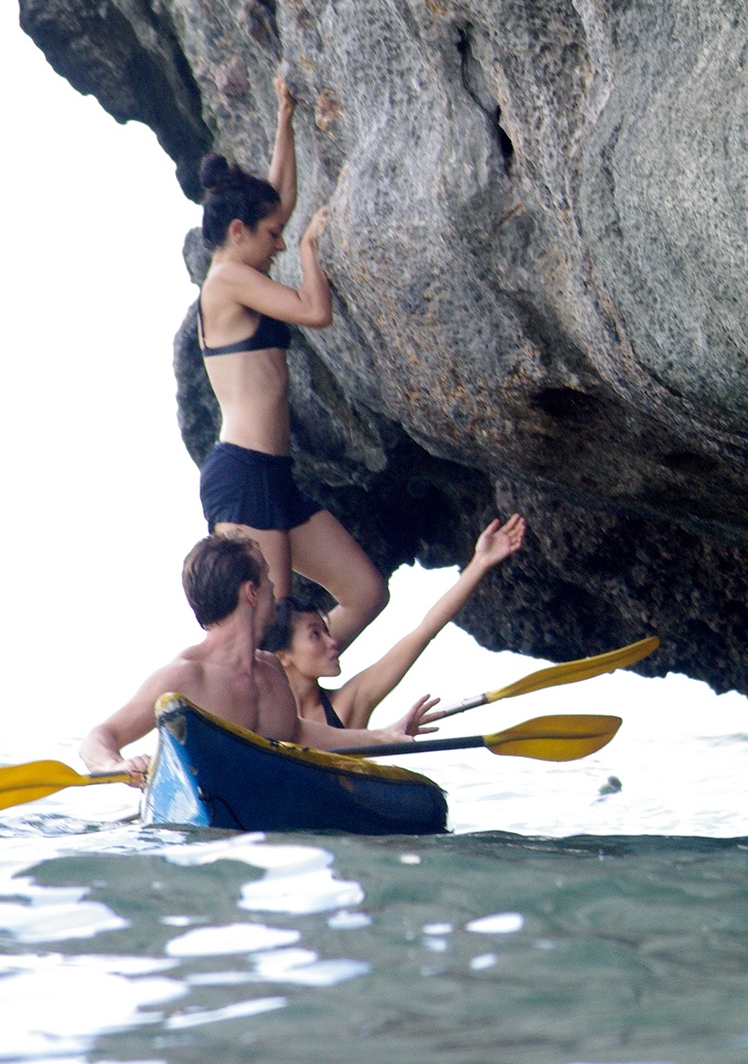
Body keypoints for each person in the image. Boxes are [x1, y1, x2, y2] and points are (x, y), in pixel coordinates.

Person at [195, 70, 388, 646]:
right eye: (272, 235)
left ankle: (301, 678)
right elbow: (313, 310)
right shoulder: (226, 280)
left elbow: (278, 200)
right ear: (238, 231)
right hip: (242, 473)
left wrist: (286, 118)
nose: (278, 242)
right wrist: (308, 248)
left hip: (274, 473)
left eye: (283, 235)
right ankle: (276, 688)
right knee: (263, 627)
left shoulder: (240, 263)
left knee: (366, 592)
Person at [81, 535, 435, 784]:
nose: (275, 589)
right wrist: (116, 765)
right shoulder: (184, 678)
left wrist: (382, 736)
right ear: (251, 593)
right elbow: (98, 738)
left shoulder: (271, 671)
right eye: (267, 578)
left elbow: (298, 733)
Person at [266, 514, 527, 729]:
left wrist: (480, 563)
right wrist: (384, 738)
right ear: (283, 656)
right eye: (315, 634)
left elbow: (424, 631)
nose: (332, 642)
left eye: (326, 631)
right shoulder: (259, 715)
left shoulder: (349, 705)